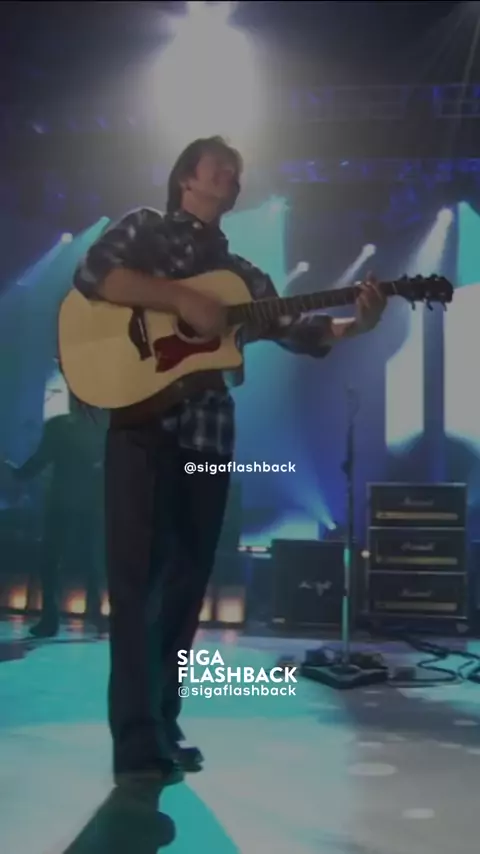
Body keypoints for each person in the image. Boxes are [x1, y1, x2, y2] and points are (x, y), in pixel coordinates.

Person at [73, 135, 386, 788]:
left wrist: (357, 323)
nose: (233, 178)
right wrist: (181, 300)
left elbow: (304, 333)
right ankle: (135, 741)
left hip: (208, 439)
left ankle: (163, 722)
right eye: (221, 168)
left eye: (238, 173)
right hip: (143, 428)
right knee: (138, 586)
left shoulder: (243, 274)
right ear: (187, 177)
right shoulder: (148, 230)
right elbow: (97, 275)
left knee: (185, 589)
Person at [7, 396, 106, 637]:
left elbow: (40, 460)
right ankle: (98, 616)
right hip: (91, 503)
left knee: (51, 561)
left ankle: (50, 619)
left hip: (60, 502)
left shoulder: (58, 426)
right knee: (91, 560)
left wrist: (16, 473)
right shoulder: (102, 428)